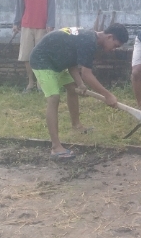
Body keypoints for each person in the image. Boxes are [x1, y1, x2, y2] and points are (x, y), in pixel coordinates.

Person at [30, 23, 129, 159]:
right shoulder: (89, 41)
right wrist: (108, 95)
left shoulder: (89, 38)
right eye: (115, 45)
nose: (113, 49)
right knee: (54, 97)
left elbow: (72, 61)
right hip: (42, 60)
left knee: (72, 89)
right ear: (110, 37)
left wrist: (80, 84)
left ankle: (76, 125)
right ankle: (56, 147)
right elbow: (87, 74)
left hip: (58, 62)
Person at [13, 0, 55, 93]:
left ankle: (41, 84)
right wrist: (16, 22)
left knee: (41, 56)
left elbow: (51, 4)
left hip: (43, 26)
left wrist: (50, 23)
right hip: (26, 25)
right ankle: (31, 83)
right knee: (26, 56)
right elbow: (19, 5)